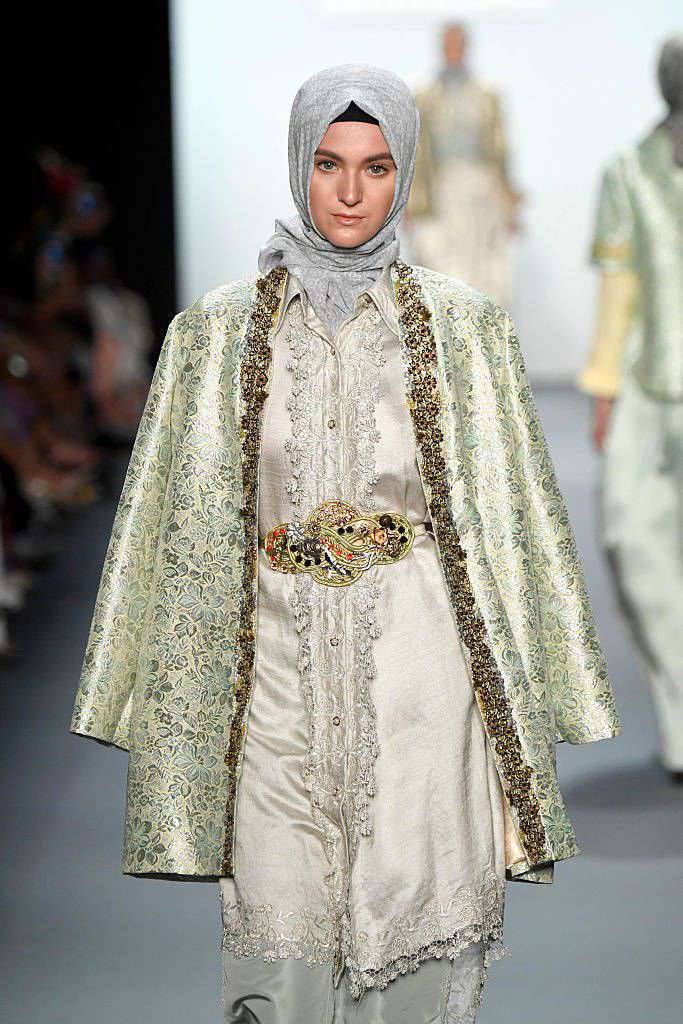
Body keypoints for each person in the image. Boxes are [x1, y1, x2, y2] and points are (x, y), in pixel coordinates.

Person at [71, 64, 620, 1023]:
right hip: (270, 679)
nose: (351, 192)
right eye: (328, 164)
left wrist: (542, 682)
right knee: (278, 953)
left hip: (422, 674)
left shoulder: (462, 328)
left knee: (413, 945)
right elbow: (167, 524)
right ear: (300, 165)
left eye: (375, 166)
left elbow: (519, 516)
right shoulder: (215, 333)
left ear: (404, 171)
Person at [579, 35, 683, 784]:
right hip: (649, 380)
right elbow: (618, 289)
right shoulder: (626, 169)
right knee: (630, 539)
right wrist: (604, 384)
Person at [406, 23, 521, 305]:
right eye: (449, 46)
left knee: (486, 271)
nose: (454, 52)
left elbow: (500, 149)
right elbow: (416, 151)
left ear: (467, 48)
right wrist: (408, 201)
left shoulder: (487, 95)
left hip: (482, 191)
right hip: (439, 191)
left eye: (458, 45)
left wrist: (509, 201)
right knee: (438, 264)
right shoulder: (425, 96)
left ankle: (481, 328)